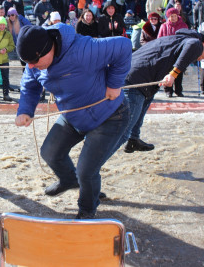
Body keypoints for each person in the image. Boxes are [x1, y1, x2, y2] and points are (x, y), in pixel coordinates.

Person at [15, 24, 131, 219]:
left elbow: (123, 46)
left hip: (109, 115)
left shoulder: (83, 50)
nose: (31, 65)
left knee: (86, 170)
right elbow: (29, 83)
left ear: (48, 48)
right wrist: (25, 110)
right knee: (50, 152)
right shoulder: (33, 63)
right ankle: (69, 180)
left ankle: (87, 209)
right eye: (27, 62)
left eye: (34, 60)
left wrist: (114, 84)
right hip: (73, 115)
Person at [120, 29, 204, 153]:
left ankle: (133, 139)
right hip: (135, 79)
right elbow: (192, 45)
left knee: (146, 99)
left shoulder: (178, 40)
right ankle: (91, 168)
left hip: (137, 76)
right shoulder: (196, 43)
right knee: (122, 133)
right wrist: (173, 74)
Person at [158, 8, 188, 98]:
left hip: (180, 51)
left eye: (175, 16)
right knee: (167, 71)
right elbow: (159, 39)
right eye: (171, 16)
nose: (173, 18)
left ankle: (178, 90)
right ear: (168, 17)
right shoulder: (164, 26)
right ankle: (168, 91)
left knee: (178, 70)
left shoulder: (183, 25)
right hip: (167, 52)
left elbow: (187, 37)